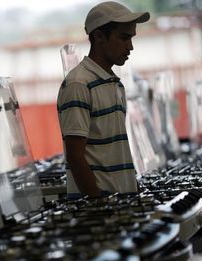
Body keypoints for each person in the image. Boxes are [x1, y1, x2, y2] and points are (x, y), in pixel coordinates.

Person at [57, 1, 150, 199]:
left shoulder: (114, 83)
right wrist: (100, 204)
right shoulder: (78, 84)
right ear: (98, 36)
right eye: (124, 38)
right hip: (102, 215)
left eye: (131, 38)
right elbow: (75, 156)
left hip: (122, 205)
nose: (130, 46)